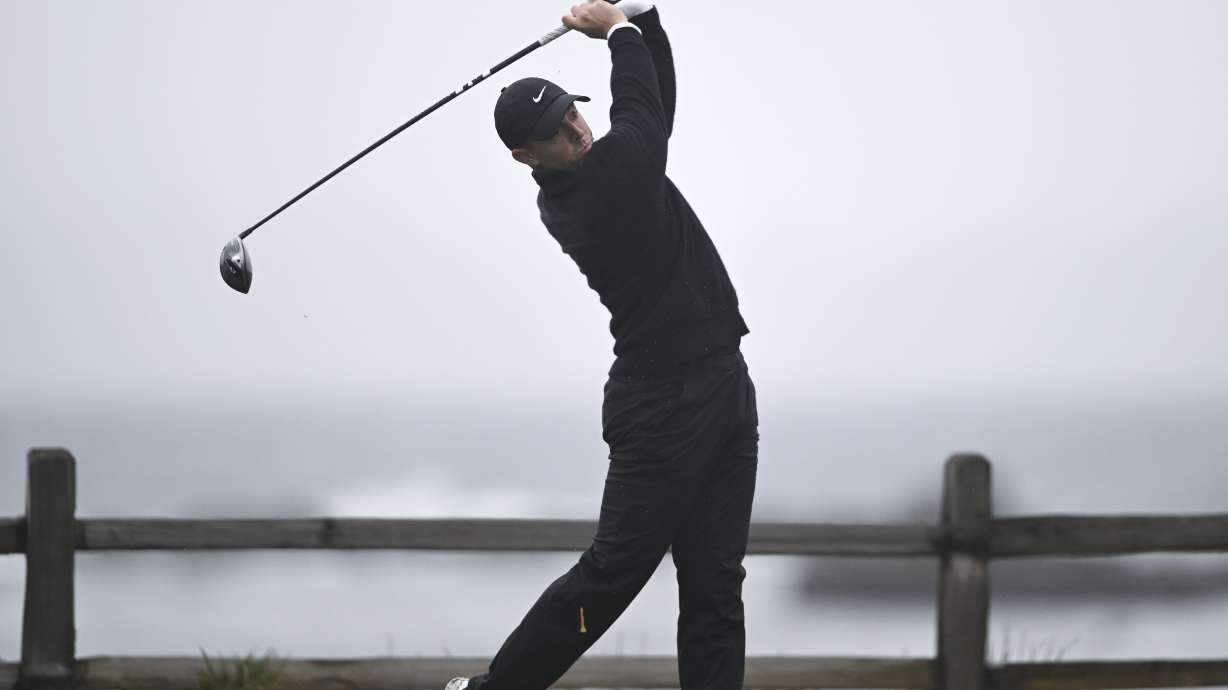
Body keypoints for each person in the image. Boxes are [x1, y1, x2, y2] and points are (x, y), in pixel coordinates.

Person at [448, 1, 758, 688]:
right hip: (663, 408)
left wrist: (644, 17)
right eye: (557, 132)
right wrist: (619, 32)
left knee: (715, 585)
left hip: (724, 387)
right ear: (524, 156)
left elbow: (655, 106)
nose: (576, 130)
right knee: (610, 578)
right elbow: (642, 116)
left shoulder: (618, 163)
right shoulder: (592, 192)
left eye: (574, 113)